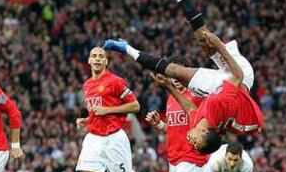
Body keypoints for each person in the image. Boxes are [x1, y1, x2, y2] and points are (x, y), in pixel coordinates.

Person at [104, 31, 263, 155]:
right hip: (245, 85)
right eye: (197, 142)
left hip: (229, 99)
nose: (192, 142)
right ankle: (126, 48)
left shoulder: (198, 124)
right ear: (204, 132)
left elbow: (190, 108)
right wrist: (220, 46)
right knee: (196, 54)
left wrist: (169, 87)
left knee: (174, 73)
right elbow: (238, 76)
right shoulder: (218, 103)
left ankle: (127, 49)